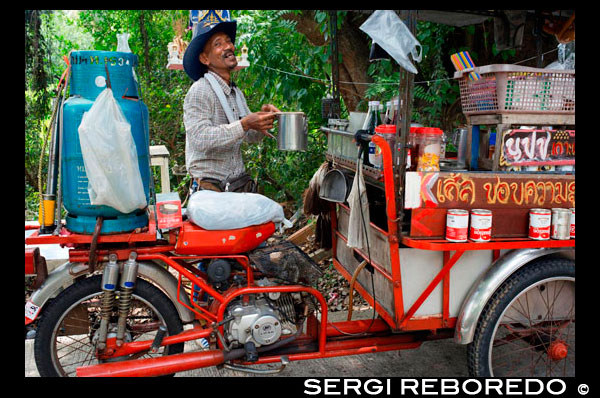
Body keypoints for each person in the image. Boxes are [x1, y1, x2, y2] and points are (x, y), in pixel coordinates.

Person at [182, 10, 279, 193]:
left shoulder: (236, 93)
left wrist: (263, 120)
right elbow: (199, 138)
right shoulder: (200, 91)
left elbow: (250, 137)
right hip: (210, 191)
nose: (227, 47)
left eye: (228, 41)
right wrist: (243, 124)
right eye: (218, 44)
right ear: (204, 58)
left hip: (236, 187)